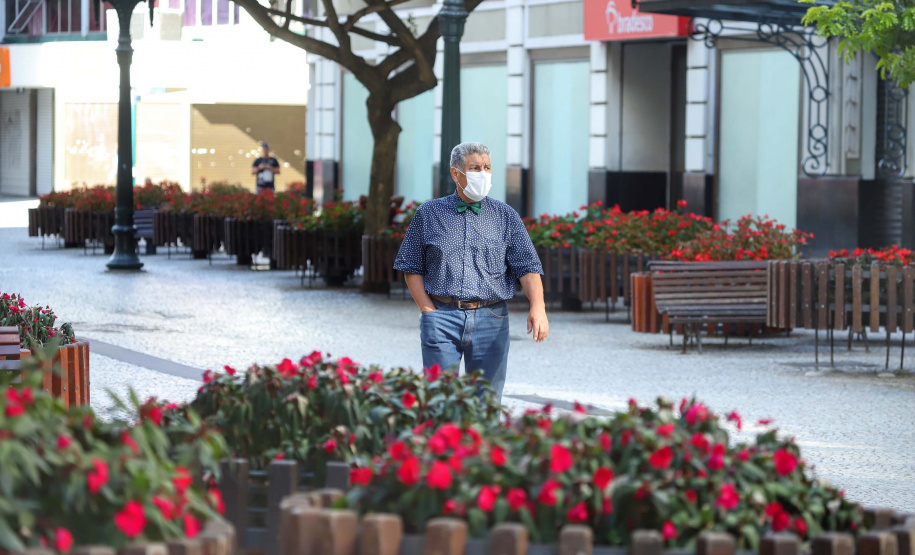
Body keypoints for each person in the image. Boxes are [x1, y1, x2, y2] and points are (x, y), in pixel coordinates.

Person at [393, 142, 549, 401]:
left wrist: (538, 307)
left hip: (492, 317)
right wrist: (427, 310)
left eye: (487, 167)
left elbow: (528, 266)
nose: (483, 173)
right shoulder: (428, 214)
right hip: (441, 316)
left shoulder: (506, 216)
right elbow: (411, 266)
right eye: (475, 168)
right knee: (438, 399)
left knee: (486, 403)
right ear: (456, 174)